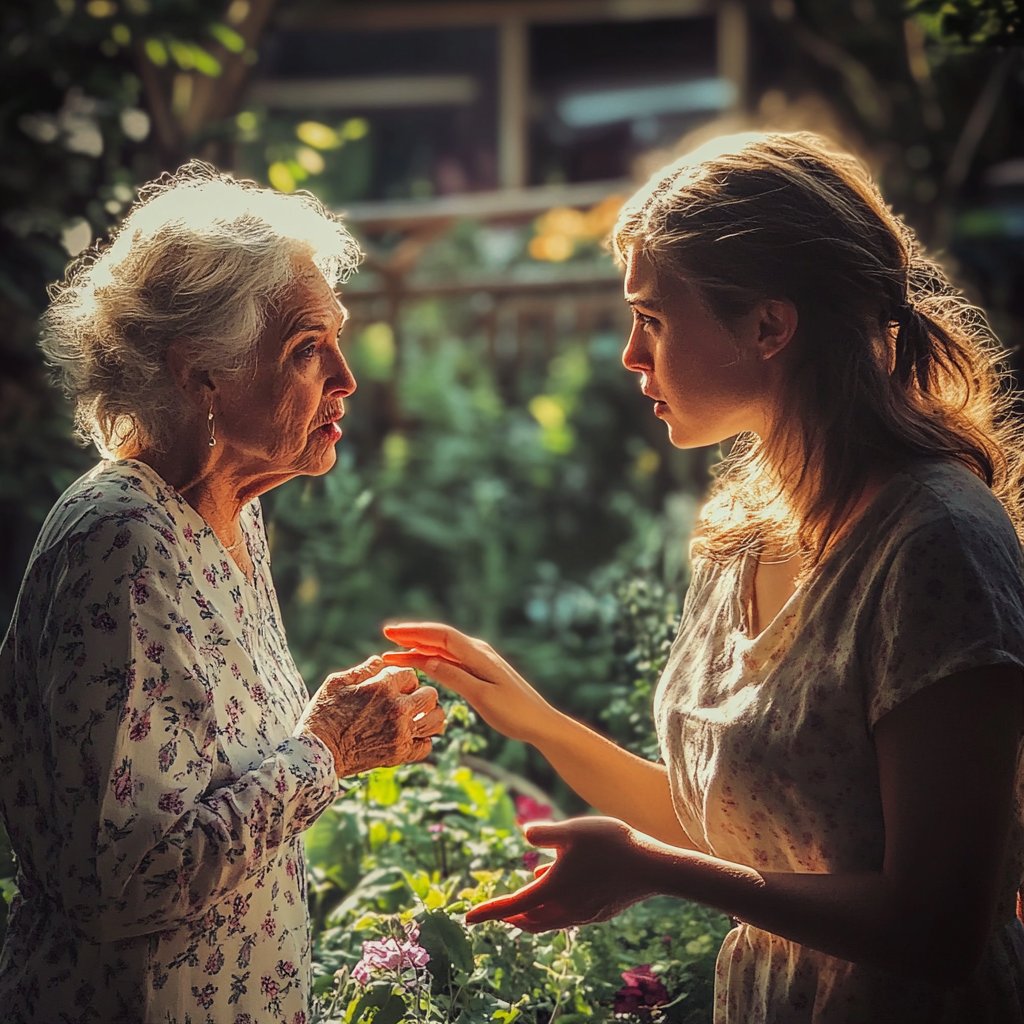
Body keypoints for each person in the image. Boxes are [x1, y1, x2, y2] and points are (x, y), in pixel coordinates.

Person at [382, 131, 1024, 1023]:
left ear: (769, 325)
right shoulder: (742, 535)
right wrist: (535, 722)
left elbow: (939, 927)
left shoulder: (936, 544)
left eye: (652, 316)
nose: (629, 355)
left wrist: (647, 872)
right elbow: (735, 831)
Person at [0, 162, 446, 1024]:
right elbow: (127, 886)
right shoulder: (122, 539)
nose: (347, 378)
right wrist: (326, 750)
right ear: (202, 375)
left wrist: (327, 744)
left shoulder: (228, 516)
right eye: (307, 348)